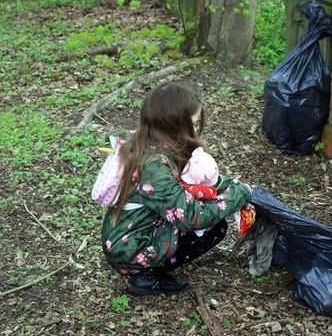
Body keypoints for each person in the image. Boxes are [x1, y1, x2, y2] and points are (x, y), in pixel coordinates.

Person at [100, 81, 252, 296]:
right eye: (193, 124)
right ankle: (146, 276)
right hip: (129, 250)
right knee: (214, 228)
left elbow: (187, 184)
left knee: (210, 217)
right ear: (175, 126)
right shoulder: (153, 167)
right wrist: (239, 193)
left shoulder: (147, 142)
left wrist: (224, 186)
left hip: (126, 236)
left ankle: (148, 267)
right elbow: (192, 217)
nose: (195, 129)